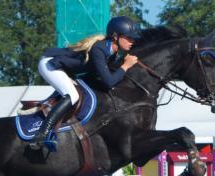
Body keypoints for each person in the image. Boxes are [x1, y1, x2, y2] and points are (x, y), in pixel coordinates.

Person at [30, 16, 140, 150]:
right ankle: (41, 134)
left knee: (75, 93)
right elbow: (109, 82)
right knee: (72, 95)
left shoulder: (111, 52)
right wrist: (126, 66)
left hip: (65, 69)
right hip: (50, 64)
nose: (132, 41)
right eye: (129, 37)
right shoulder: (99, 49)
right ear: (115, 36)